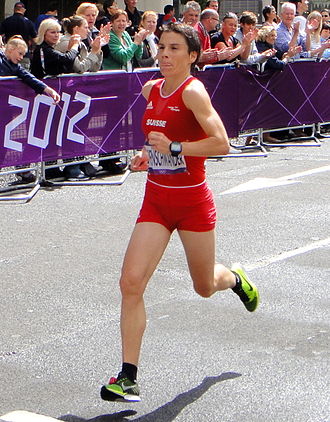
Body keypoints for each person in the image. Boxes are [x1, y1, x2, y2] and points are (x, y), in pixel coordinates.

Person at [100, 22, 260, 403]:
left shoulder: (194, 92)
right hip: (156, 201)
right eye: (162, 48)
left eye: (175, 49)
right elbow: (154, 137)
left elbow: (221, 143)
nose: (166, 55)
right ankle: (128, 377)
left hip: (192, 204)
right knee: (130, 282)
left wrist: (174, 148)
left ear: (192, 56)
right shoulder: (150, 89)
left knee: (204, 287)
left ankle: (235, 279)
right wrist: (147, 154)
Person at [0, 35, 60, 183]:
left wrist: (48, 90)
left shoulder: (14, 65)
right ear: (11, 49)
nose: (21, 58)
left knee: (3, 143)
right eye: (20, 54)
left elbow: (28, 77)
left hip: (5, 110)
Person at [0, 2, 37, 70]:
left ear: (14, 9)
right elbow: (35, 40)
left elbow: (0, 35)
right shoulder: (29, 22)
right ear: (23, 10)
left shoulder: (6, 21)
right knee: (23, 77)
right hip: (23, 55)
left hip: (9, 54)